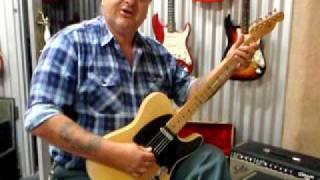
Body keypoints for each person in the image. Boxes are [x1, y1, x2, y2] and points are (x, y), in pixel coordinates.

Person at [24, 0, 258, 179]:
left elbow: (191, 91)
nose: (131, 1)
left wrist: (227, 66)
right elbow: (40, 116)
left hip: (151, 166)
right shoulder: (69, 43)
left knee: (211, 160)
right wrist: (113, 154)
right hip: (85, 172)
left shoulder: (157, 53)